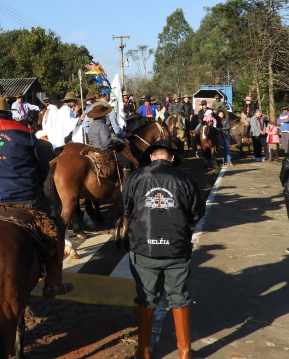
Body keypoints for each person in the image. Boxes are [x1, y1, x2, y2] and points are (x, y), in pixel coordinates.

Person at [0, 95, 73, 298]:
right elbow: (42, 167)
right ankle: (54, 283)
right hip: (25, 196)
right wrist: (35, 185)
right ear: (7, 113)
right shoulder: (25, 132)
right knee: (56, 227)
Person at [123, 140, 206, 359]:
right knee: (179, 295)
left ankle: (143, 351)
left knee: (146, 296)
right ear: (171, 158)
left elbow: (126, 208)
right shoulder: (185, 178)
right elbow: (197, 212)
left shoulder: (135, 177)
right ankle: (185, 352)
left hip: (144, 246)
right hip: (177, 246)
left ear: (151, 156)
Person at [86, 103, 134, 181]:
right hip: (103, 150)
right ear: (103, 115)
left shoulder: (92, 125)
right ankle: (126, 186)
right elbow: (106, 142)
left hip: (92, 149)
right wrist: (113, 146)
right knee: (127, 162)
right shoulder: (103, 125)